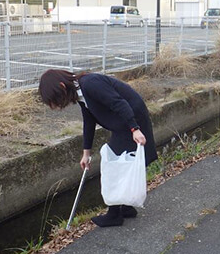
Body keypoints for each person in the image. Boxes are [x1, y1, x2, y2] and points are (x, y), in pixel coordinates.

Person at [39, 70, 157, 227]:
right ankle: (127, 208)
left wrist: (134, 129)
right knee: (125, 163)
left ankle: (114, 215)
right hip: (126, 121)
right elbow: (89, 121)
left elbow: (118, 103)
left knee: (113, 166)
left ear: (62, 86)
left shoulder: (91, 84)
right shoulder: (80, 93)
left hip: (131, 119)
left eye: (55, 100)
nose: (57, 106)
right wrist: (86, 153)